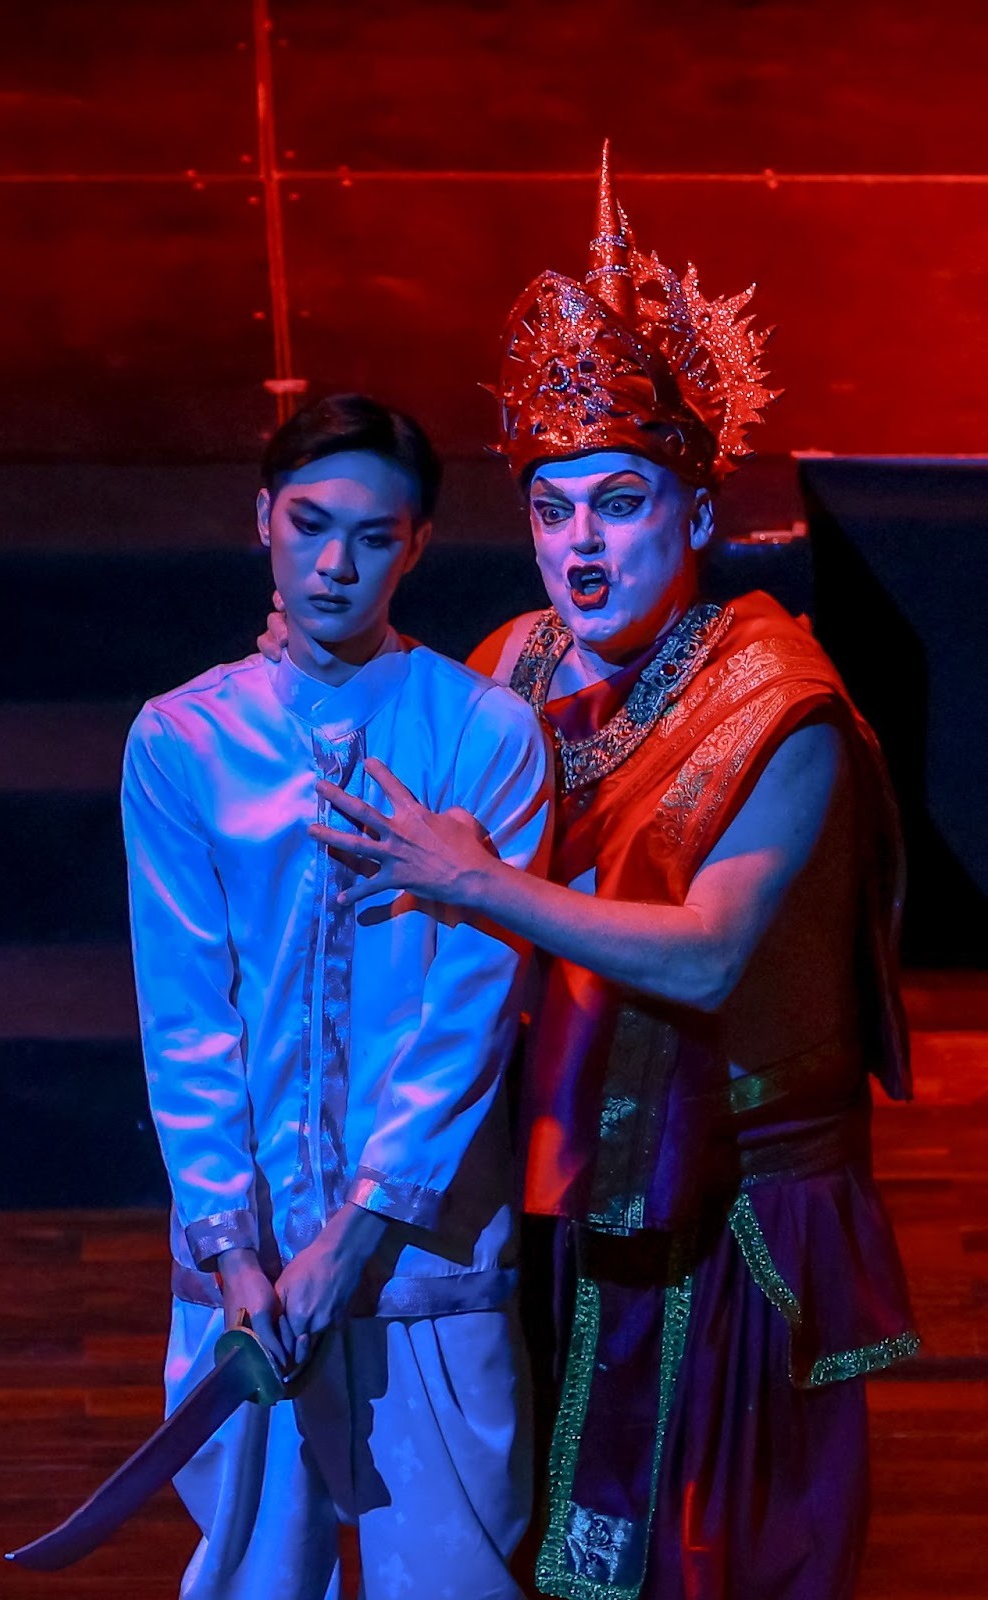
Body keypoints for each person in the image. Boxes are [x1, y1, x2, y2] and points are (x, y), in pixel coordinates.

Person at [301, 149, 919, 1599]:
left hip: (718, 1217)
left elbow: (704, 953)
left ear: (697, 515)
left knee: (710, 1557)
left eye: (618, 504)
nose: (578, 548)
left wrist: (473, 880)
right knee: (544, 1545)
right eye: (551, 509)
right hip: (550, 1194)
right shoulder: (511, 663)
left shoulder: (781, 705)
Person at [122, 393, 552, 1600]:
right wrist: (230, 1244)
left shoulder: (484, 734)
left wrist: (352, 1235)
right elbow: (186, 1017)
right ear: (262, 519)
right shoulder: (182, 740)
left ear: (414, 546)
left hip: (423, 1250)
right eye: (309, 524)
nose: (334, 562)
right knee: (256, 1570)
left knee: (452, 1574)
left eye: (372, 535)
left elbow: (468, 1015)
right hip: (248, 1265)